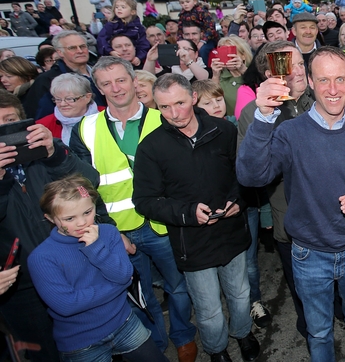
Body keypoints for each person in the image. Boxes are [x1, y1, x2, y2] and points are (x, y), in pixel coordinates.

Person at [237, 46, 345, 361]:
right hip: (308, 253)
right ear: (309, 81)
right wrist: (263, 116)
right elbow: (251, 175)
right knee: (318, 333)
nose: (333, 90)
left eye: (340, 80)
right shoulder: (289, 132)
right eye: (324, 80)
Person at [67, 57, 199, 361]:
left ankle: (182, 335)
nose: (116, 89)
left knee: (178, 286)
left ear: (134, 81)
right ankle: (154, 342)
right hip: (116, 230)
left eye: (121, 80)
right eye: (106, 84)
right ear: (98, 89)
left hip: (163, 226)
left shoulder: (166, 117)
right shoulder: (86, 129)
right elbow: (80, 187)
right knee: (138, 295)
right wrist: (107, 230)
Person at [132, 74, 259, 362]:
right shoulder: (151, 147)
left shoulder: (224, 130)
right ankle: (216, 349)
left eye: (179, 103)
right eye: (164, 107)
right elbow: (145, 201)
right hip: (191, 240)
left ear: (193, 98)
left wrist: (239, 201)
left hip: (231, 231)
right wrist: (189, 213)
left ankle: (243, 333)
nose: (174, 113)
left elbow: (245, 175)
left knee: (240, 294)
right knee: (208, 306)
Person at [0, 91, 100, 362]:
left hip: (74, 265)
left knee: (91, 341)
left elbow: (89, 185)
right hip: (21, 286)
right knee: (44, 352)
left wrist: (55, 154)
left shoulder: (45, 152)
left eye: (9, 121)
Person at [28, 174, 168, 362]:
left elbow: (125, 276)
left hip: (124, 323)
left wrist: (95, 248)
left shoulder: (109, 233)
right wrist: (118, 286)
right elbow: (67, 305)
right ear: (51, 218)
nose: (82, 222)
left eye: (88, 212)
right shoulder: (41, 257)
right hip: (81, 342)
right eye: (69, 218)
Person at [236, 39, 312, 337]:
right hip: (290, 223)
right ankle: (309, 326)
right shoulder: (254, 115)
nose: (299, 71)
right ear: (271, 73)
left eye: (300, 63)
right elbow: (250, 175)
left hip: (336, 217)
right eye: (288, 65)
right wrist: (264, 117)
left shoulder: (326, 98)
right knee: (303, 289)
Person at [28, 31, 106, 120]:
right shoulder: (47, 81)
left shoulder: (101, 73)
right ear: (60, 52)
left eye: (82, 46)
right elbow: (43, 118)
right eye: (72, 48)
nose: (80, 51)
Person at [36, 73, 100, 145]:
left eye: (69, 99)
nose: (62, 104)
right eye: (58, 99)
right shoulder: (43, 126)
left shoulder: (107, 116)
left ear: (87, 97)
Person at [97, 0, 149, 66]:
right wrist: (110, 51)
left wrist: (139, 57)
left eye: (123, 7)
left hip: (134, 60)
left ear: (132, 12)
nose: (119, 9)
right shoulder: (111, 25)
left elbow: (144, 44)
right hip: (115, 60)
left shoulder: (138, 27)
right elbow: (102, 40)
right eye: (117, 7)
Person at [210, 35, 250, 117]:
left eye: (232, 52)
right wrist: (215, 75)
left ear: (243, 56)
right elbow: (211, 98)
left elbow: (257, 87)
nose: (228, 57)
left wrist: (242, 69)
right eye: (223, 53)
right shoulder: (220, 77)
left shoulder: (254, 71)